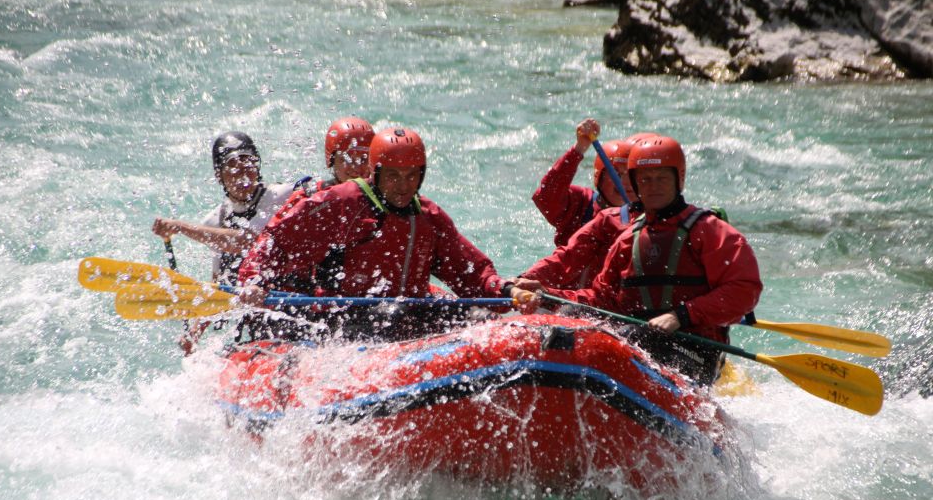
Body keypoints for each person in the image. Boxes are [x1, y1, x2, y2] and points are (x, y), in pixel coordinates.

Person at [238, 126, 535, 341]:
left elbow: (472, 273)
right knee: (385, 318)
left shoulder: (429, 217)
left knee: (482, 319)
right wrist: (254, 280)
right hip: (349, 315)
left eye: (411, 176)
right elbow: (276, 240)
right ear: (375, 173)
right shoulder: (342, 203)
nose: (403, 186)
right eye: (393, 176)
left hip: (410, 313)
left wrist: (508, 290)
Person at [520, 135, 763, 386]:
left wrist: (681, 316)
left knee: (641, 339)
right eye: (645, 179)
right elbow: (601, 299)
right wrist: (548, 294)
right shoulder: (628, 238)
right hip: (636, 339)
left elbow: (744, 290)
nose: (653, 186)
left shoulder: (710, 230)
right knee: (569, 320)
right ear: (635, 184)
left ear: (679, 179)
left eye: (662, 178)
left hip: (693, 350)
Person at [152, 131, 300, 353]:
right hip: (257, 320)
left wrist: (181, 227)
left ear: (257, 166)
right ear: (219, 175)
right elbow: (220, 285)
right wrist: (195, 333)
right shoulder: (215, 220)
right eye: (232, 165)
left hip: (295, 306)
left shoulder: (282, 196)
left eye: (247, 162)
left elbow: (247, 241)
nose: (242, 173)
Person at [532, 118, 644, 249]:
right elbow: (546, 197)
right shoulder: (580, 204)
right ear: (599, 178)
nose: (625, 182)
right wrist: (578, 149)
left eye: (631, 175)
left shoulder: (645, 214)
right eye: (617, 174)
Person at [266, 116, 376, 228]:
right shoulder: (310, 198)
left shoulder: (385, 198)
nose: (356, 167)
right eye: (347, 159)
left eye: (363, 159)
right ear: (332, 160)